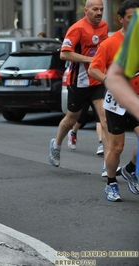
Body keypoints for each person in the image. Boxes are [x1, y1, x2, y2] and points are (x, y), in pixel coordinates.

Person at [49, 0, 109, 168]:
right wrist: (90, 59)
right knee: (71, 119)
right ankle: (56, 145)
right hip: (79, 81)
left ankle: (108, 164)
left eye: (101, 9)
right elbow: (64, 54)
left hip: (98, 79)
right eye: (95, 9)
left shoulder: (104, 26)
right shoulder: (77, 28)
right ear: (85, 10)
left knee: (104, 118)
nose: (99, 12)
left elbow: (104, 49)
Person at [101, 3, 139, 201]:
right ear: (121, 19)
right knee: (117, 147)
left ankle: (130, 169)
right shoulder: (110, 43)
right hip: (117, 100)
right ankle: (111, 183)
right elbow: (94, 69)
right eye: (131, 17)